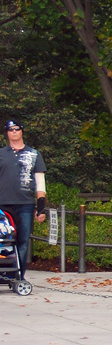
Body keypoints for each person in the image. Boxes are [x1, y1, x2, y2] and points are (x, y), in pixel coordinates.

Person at [0, 120, 47, 280]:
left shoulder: (34, 154)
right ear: (6, 133)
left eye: (16, 129)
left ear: (22, 131)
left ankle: (18, 276)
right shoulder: (1, 154)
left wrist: (41, 208)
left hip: (25, 205)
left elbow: (40, 183)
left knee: (23, 241)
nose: (14, 132)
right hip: (3, 204)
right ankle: (3, 273)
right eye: (10, 129)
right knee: (2, 241)